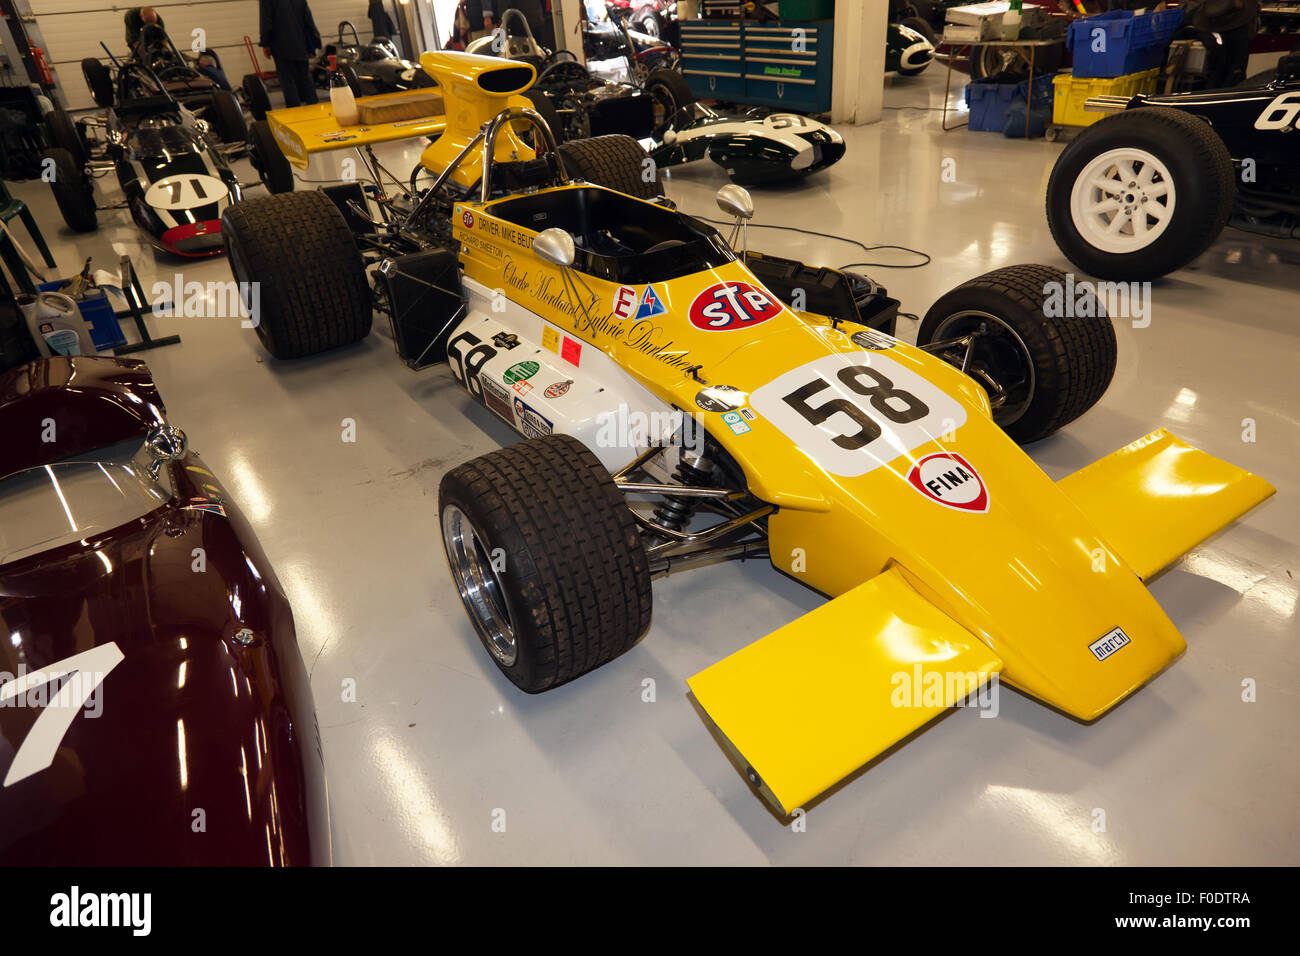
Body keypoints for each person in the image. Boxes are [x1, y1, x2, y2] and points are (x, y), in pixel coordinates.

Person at [259, 0, 323, 107]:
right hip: (300, 43)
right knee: (305, 77)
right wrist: (315, 42)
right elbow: (309, 21)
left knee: (287, 80)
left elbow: (266, 22)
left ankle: (294, 112)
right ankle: (314, 107)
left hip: (280, 45)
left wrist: (265, 43)